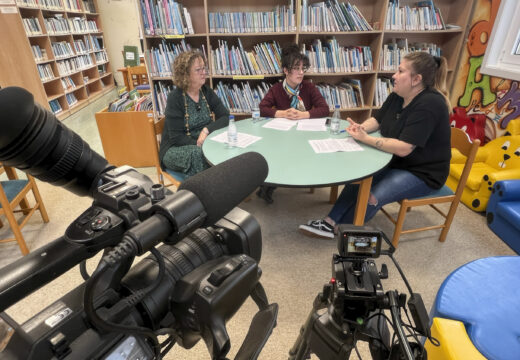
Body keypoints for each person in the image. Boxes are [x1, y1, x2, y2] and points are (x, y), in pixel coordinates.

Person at [300, 52, 452, 238]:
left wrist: (366, 139)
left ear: (416, 79)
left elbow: (404, 148)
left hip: (423, 172)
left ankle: (344, 230)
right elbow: (378, 120)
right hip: (394, 160)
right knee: (361, 176)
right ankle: (329, 222)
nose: (394, 76)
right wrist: (360, 128)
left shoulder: (431, 104)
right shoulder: (398, 94)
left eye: (400, 71)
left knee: (374, 195)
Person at [257, 44, 330, 203]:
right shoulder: (276, 89)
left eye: (303, 68)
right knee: (275, 151)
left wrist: (304, 114)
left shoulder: (309, 87)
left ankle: (298, 176)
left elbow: (325, 109)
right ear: (285, 70)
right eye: (297, 68)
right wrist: (283, 113)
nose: (301, 72)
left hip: (305, 134)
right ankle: (268, 185)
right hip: (283, 135)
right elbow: (262, 108)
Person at [159, 50, 229, 177]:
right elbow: (176, 137)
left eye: (204, 68)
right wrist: (201, 143)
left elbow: (225, 116)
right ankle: (208, 190)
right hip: (176, 147)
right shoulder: (175, 97)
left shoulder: (206, 91)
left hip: (204, 140)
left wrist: (207, 130)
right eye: (198, 70)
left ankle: (224, 183)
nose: (204, 72)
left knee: (229, 145)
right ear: (185, 74)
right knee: (200, 154)